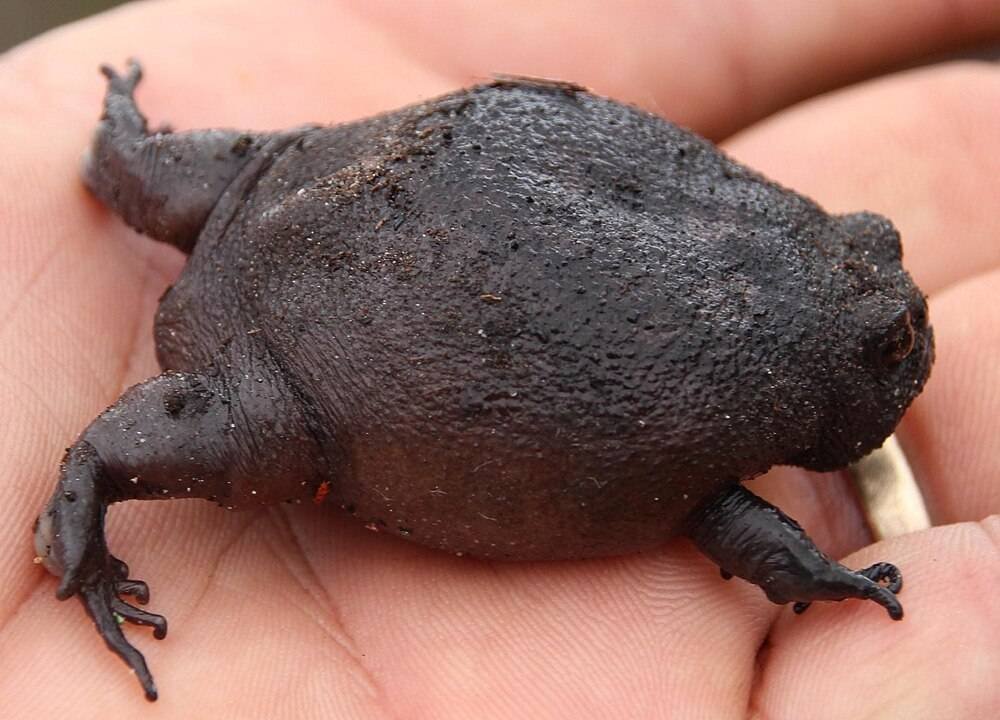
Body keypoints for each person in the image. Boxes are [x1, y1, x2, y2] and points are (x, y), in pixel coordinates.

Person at [1, 1, 997, 715]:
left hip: (295, 200)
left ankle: (118, 150)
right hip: (291, 367)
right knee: (243, 414)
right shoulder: (725, 410)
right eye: (889, 341)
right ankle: (78, 525)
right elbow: (756, 543)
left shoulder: (741, 283)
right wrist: (831, 579)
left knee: (200, 179)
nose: (903, 313)